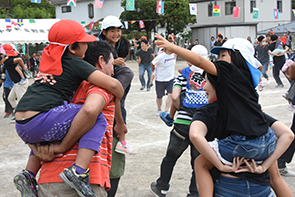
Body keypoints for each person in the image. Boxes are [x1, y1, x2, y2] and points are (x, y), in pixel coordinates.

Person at [154, 34, 294, 197]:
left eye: (223, 55)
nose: (219, 60)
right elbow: (288, 135)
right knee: (274, 176)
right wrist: (265, 165)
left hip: (239, 145)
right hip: (265, 140)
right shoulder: (247, 84)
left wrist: (174, 48)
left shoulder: (229, 72)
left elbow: (199, 61)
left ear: (237, 57)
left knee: (200, 163)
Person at [13, 20, 124, 197]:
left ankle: (28, 174)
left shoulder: (48, 65)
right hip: (41, 120)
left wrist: (36, 149)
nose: (87, 46)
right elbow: (95, 104)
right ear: (72, 48)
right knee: (96, 117)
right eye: (84, 43)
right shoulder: (74, 63)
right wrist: (118, 89)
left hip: (22, 123)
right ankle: (78, 172)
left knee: (50, 125)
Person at [36, 40, 120, 197]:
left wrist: (37, 150)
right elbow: (90, 109)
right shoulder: (100, 86)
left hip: (48, 178)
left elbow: (33, 121)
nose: (113, 71)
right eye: (112, 64)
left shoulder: (60, 88)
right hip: (85, 181)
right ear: (101, 61)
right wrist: (63, 146)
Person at [191, 72, 293, 197]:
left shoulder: (207, 113)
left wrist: (220, 165)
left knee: (200, 163)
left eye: (206, 81)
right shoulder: (254, 113)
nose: (203, 87)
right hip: (261, 188)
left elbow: (195, 135)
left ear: (219, 85)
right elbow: (276, 179)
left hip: (227, 186)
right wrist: (264, 165)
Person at [150, 46, 209, 197]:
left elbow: (175, 97)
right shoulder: (211, 77)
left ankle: (162, 186)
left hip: (182, 125)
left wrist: (178, 110)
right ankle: (194, 193)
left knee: (170, 158)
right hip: (202, 127)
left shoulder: (183, 77)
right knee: (198, 163)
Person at [159, 44, 208, 127]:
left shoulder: (184, 74)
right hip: (206, 109)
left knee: (179, 94)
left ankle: (170, 117)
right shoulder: (211, 73)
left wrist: (180, 108)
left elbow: (174, 97)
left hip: (188, 109)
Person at [2, 44, 28, 123]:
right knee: (10, 98)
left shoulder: (9, 60)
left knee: (21, 100)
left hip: (20, 83)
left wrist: (23, 69)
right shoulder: (10, 59)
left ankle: (24, 117)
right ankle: (17, 113)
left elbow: (20, 60)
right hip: (17, 83)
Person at [150, 43, 176, 116]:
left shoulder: (174, 55)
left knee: (170, 95)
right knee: (159, 97)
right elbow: (152, 63)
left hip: (170, 79)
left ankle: (166, 110)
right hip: (160, 80)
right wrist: (154, 71)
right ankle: (159, 109)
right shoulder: (160, 56)